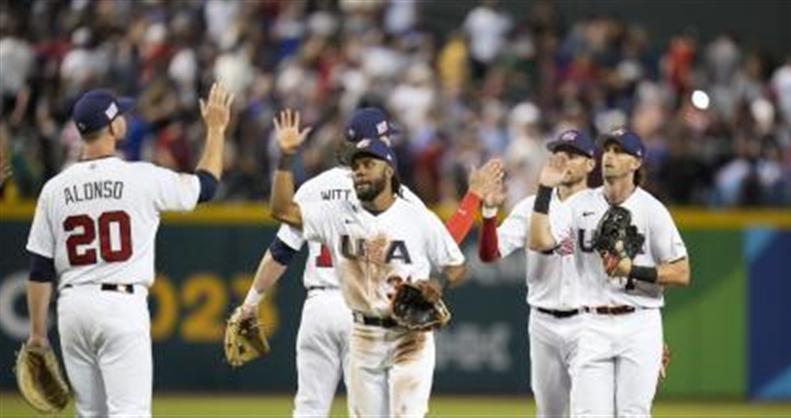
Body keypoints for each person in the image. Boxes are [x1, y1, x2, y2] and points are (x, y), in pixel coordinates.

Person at [234, 107, 502, 417]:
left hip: (319, 307)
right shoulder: (398, 197)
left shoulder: (315, 188)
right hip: (362, 311)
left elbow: (280, 251)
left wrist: (251, 302)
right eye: (386, 137)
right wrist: (472, 199)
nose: (390, 142)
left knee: (309, 407)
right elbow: (442, 243)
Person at [25, 83, 233, 417]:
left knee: (90, 414)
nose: (125, 118)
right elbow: (206, 188)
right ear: (112, 126)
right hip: (120, 306)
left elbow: (39, 269)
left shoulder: (54, 188)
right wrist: (216, 129)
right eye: (120, 114)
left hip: (72, 308)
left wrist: (37, 334)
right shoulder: (141, 177)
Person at [529, 128, 690, 417]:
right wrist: (543, 190)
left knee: (633, 414)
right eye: (607, 150)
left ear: (636, 163)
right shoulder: (580, 204)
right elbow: (540, 241)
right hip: (590, 323)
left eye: (619, 151)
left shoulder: (652, 210)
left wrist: (633, 270)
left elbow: (681, 272)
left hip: (640, 322)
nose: (609, 157)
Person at [479, 129, 596, 417]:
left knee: (590, 411)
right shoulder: (530, 207)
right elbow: (489, 254)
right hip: (543, 323)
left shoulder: (604, 206)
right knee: (549, 413)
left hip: (589, 322)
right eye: (557, 155)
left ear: (590, 164)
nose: (562, 161)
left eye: (571, 156)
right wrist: (489, 215)